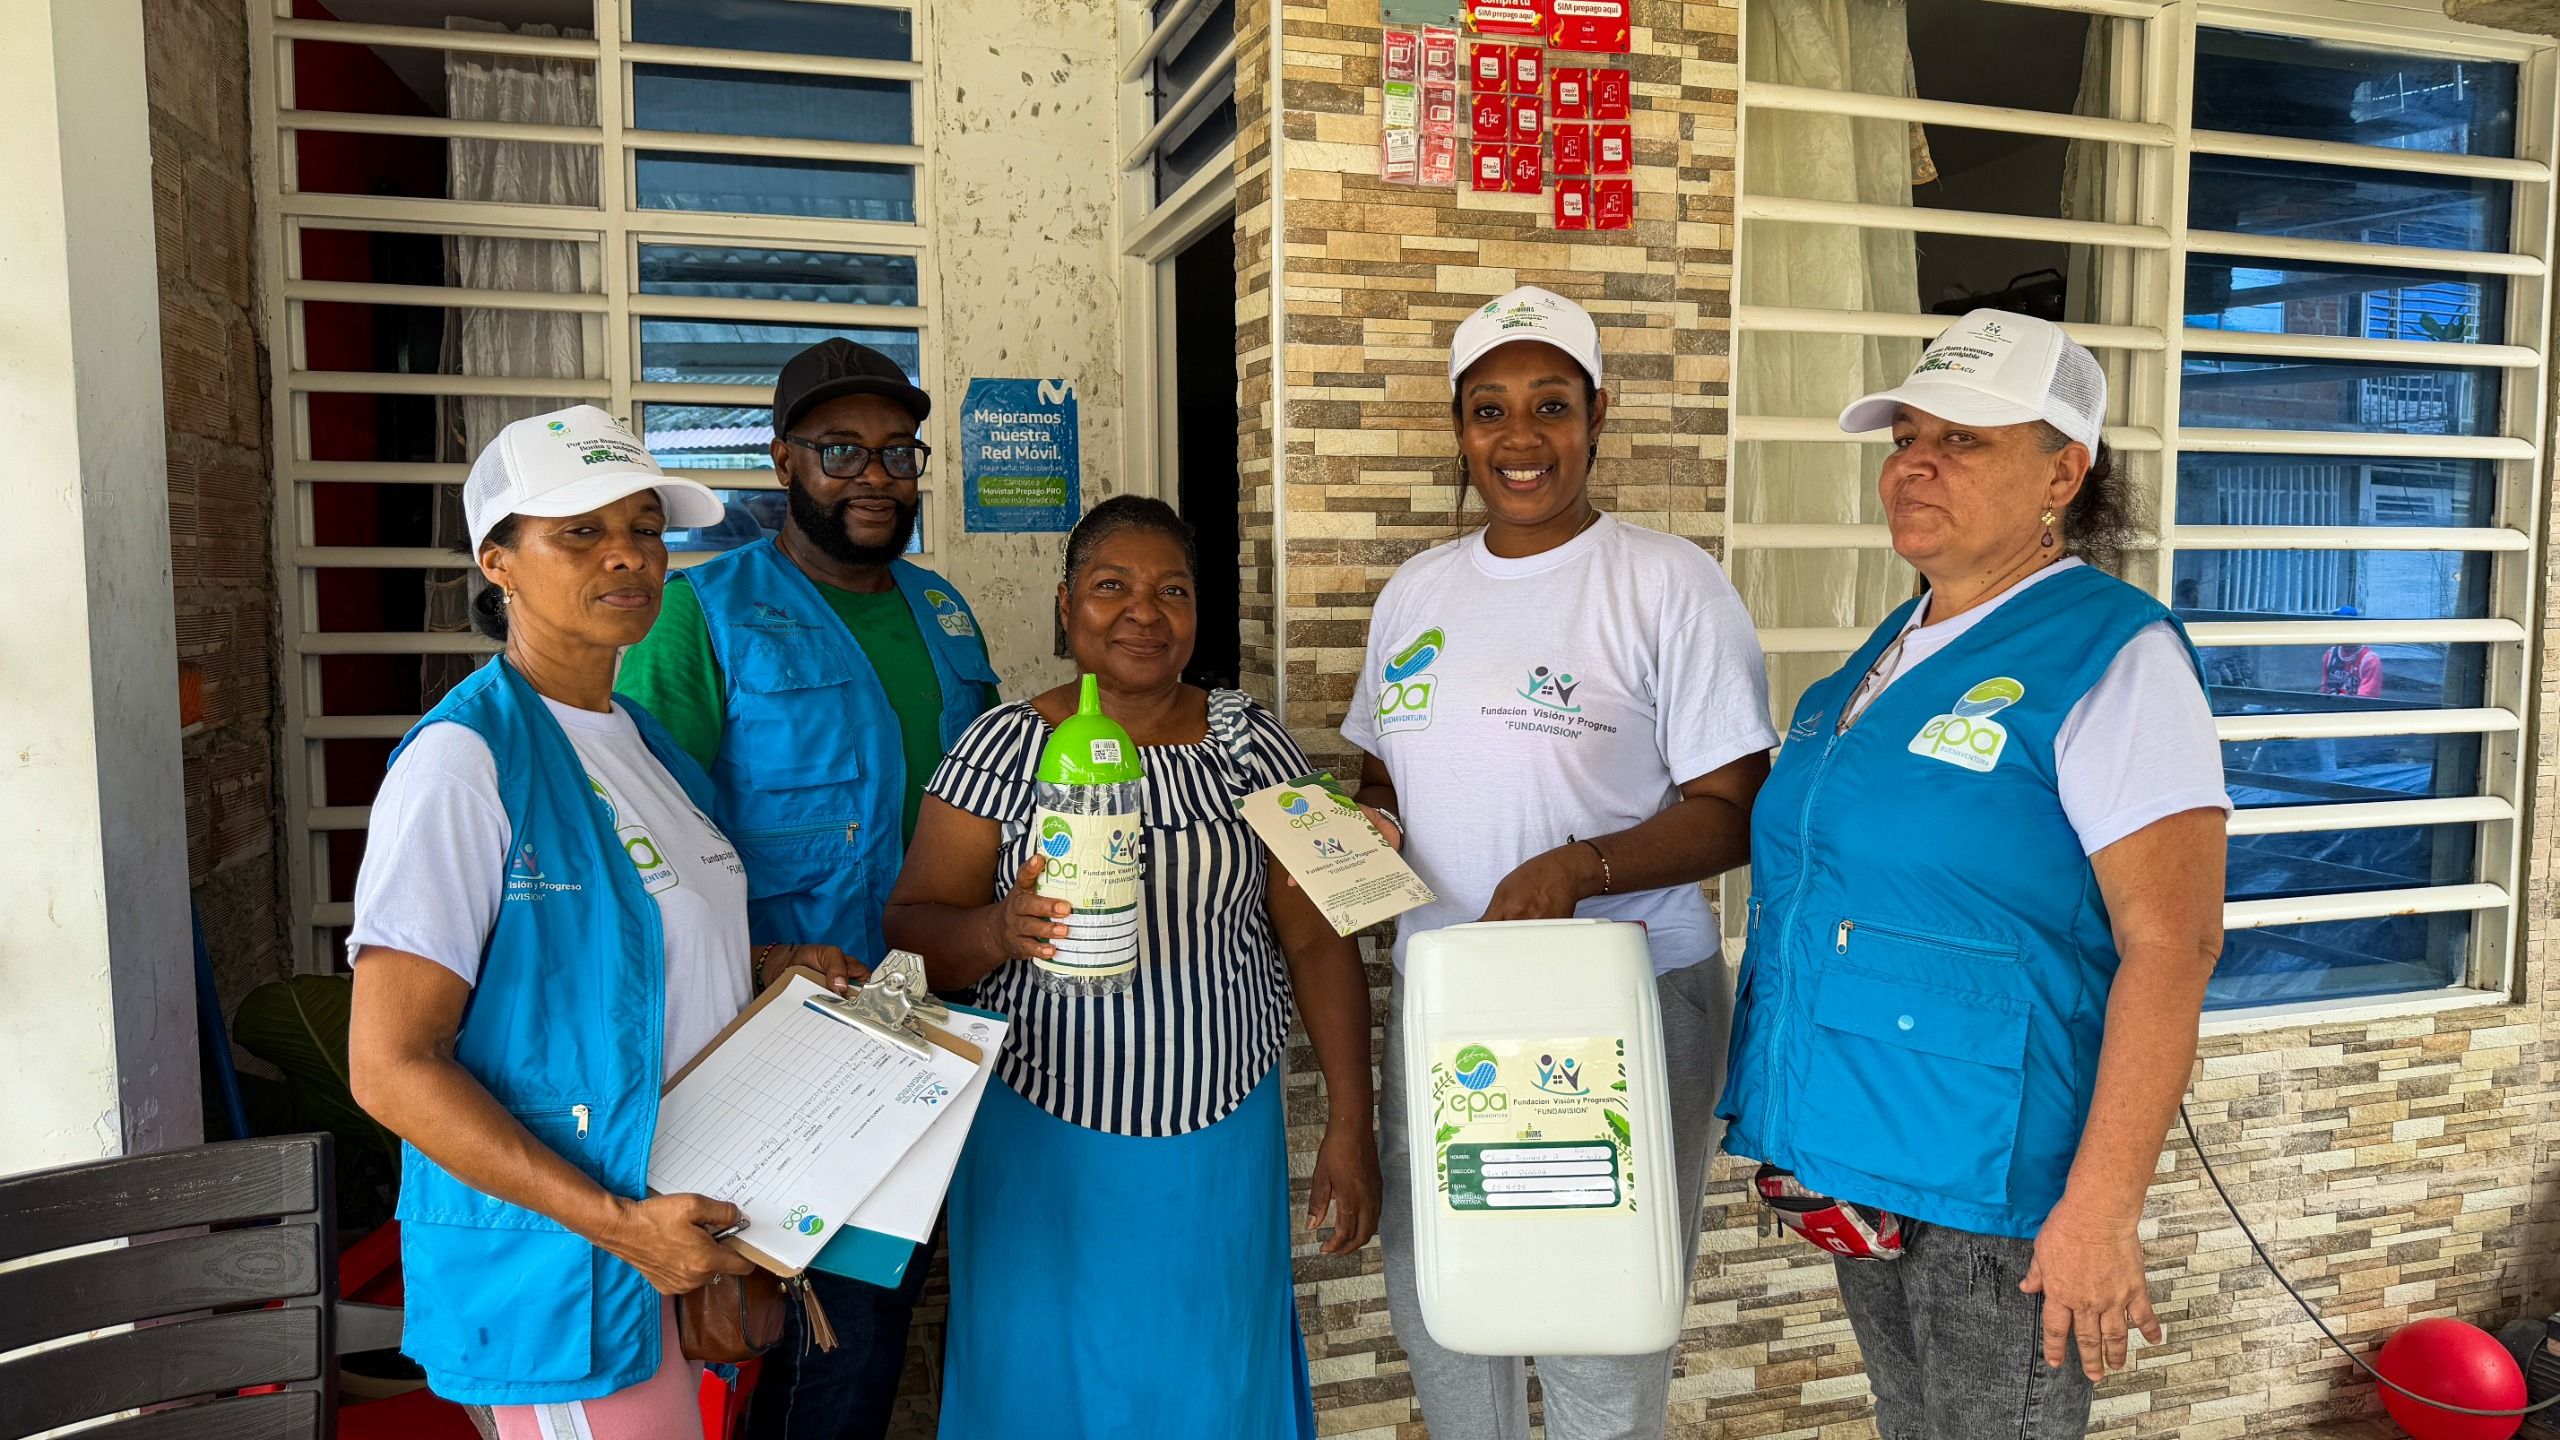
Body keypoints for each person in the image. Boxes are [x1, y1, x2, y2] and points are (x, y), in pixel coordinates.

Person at [1718, 310, 2231, 1438]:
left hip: (1998, 1181)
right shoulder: (1895, 645)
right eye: (1907, 436)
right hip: (1873, 1154)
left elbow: (2174, 942)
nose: (1915, 464)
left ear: (2063, 473)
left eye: (1963, 440)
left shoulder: (2112, 654)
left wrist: (2099, 1211)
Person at [345, 405, 865, 1438]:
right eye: (580, 532)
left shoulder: (644, 744)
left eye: (644, 528)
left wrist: (768, 963)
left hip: (675, 1241)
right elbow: (391, 1066)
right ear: (497, 561)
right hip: (570, 1265)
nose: (627, 555)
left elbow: (622, 957)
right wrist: (621, 1227)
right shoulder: (463, 765)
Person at [1345, 285, 1776, 1440]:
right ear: (1459, 428)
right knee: (1448, 1307)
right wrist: (1365, 826)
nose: (1518, 437)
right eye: (1488, 409)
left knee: (1597, 1325)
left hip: (1621, 998)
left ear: (1596, 416)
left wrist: (1579, 868)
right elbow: (1382, 775)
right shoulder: (1416, 592)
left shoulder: (1666, 583)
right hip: (1448, 1000)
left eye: (1550, 405)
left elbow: (1736, 812)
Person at [882, 496, 1380, 1440]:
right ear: (1067, 606)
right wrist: (996, 931)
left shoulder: (1250, 744)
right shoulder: (1002, 747)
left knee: (1212, 1377)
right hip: (1042, 1132)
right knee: (1045, 1382)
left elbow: (1319, 937)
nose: (1142, 612)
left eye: (1172, 591)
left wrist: (1350, 1128)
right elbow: (911, 930)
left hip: (1220, 1132)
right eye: (1112, 586)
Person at [616, 338, 1000, 1440]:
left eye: (897, 452)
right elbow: (642, 847)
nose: (875, 475)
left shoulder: (942, 610)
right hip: (782, 1047)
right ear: (783, 460)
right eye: (842, 450)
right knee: (805, 1352)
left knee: (876, 1332)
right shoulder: (702, 614)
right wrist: (750, 971)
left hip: (934, 1033)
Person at [2320, 607, 2383, 697]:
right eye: (2338, 628)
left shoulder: (2370, 661)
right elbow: (2324, 692)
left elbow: (2367, 700)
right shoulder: (2329, 655)